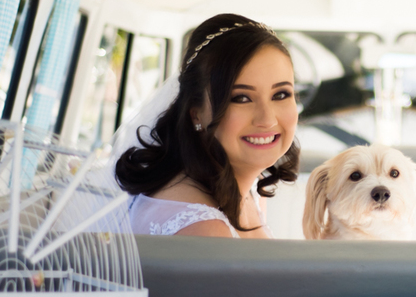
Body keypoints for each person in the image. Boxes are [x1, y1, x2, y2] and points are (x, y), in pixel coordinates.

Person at [115, 13, 299, 238]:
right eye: (241, 98)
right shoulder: (204, 230)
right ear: (196, 114)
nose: (268, 119)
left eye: (280, 94)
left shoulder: (248, 191)